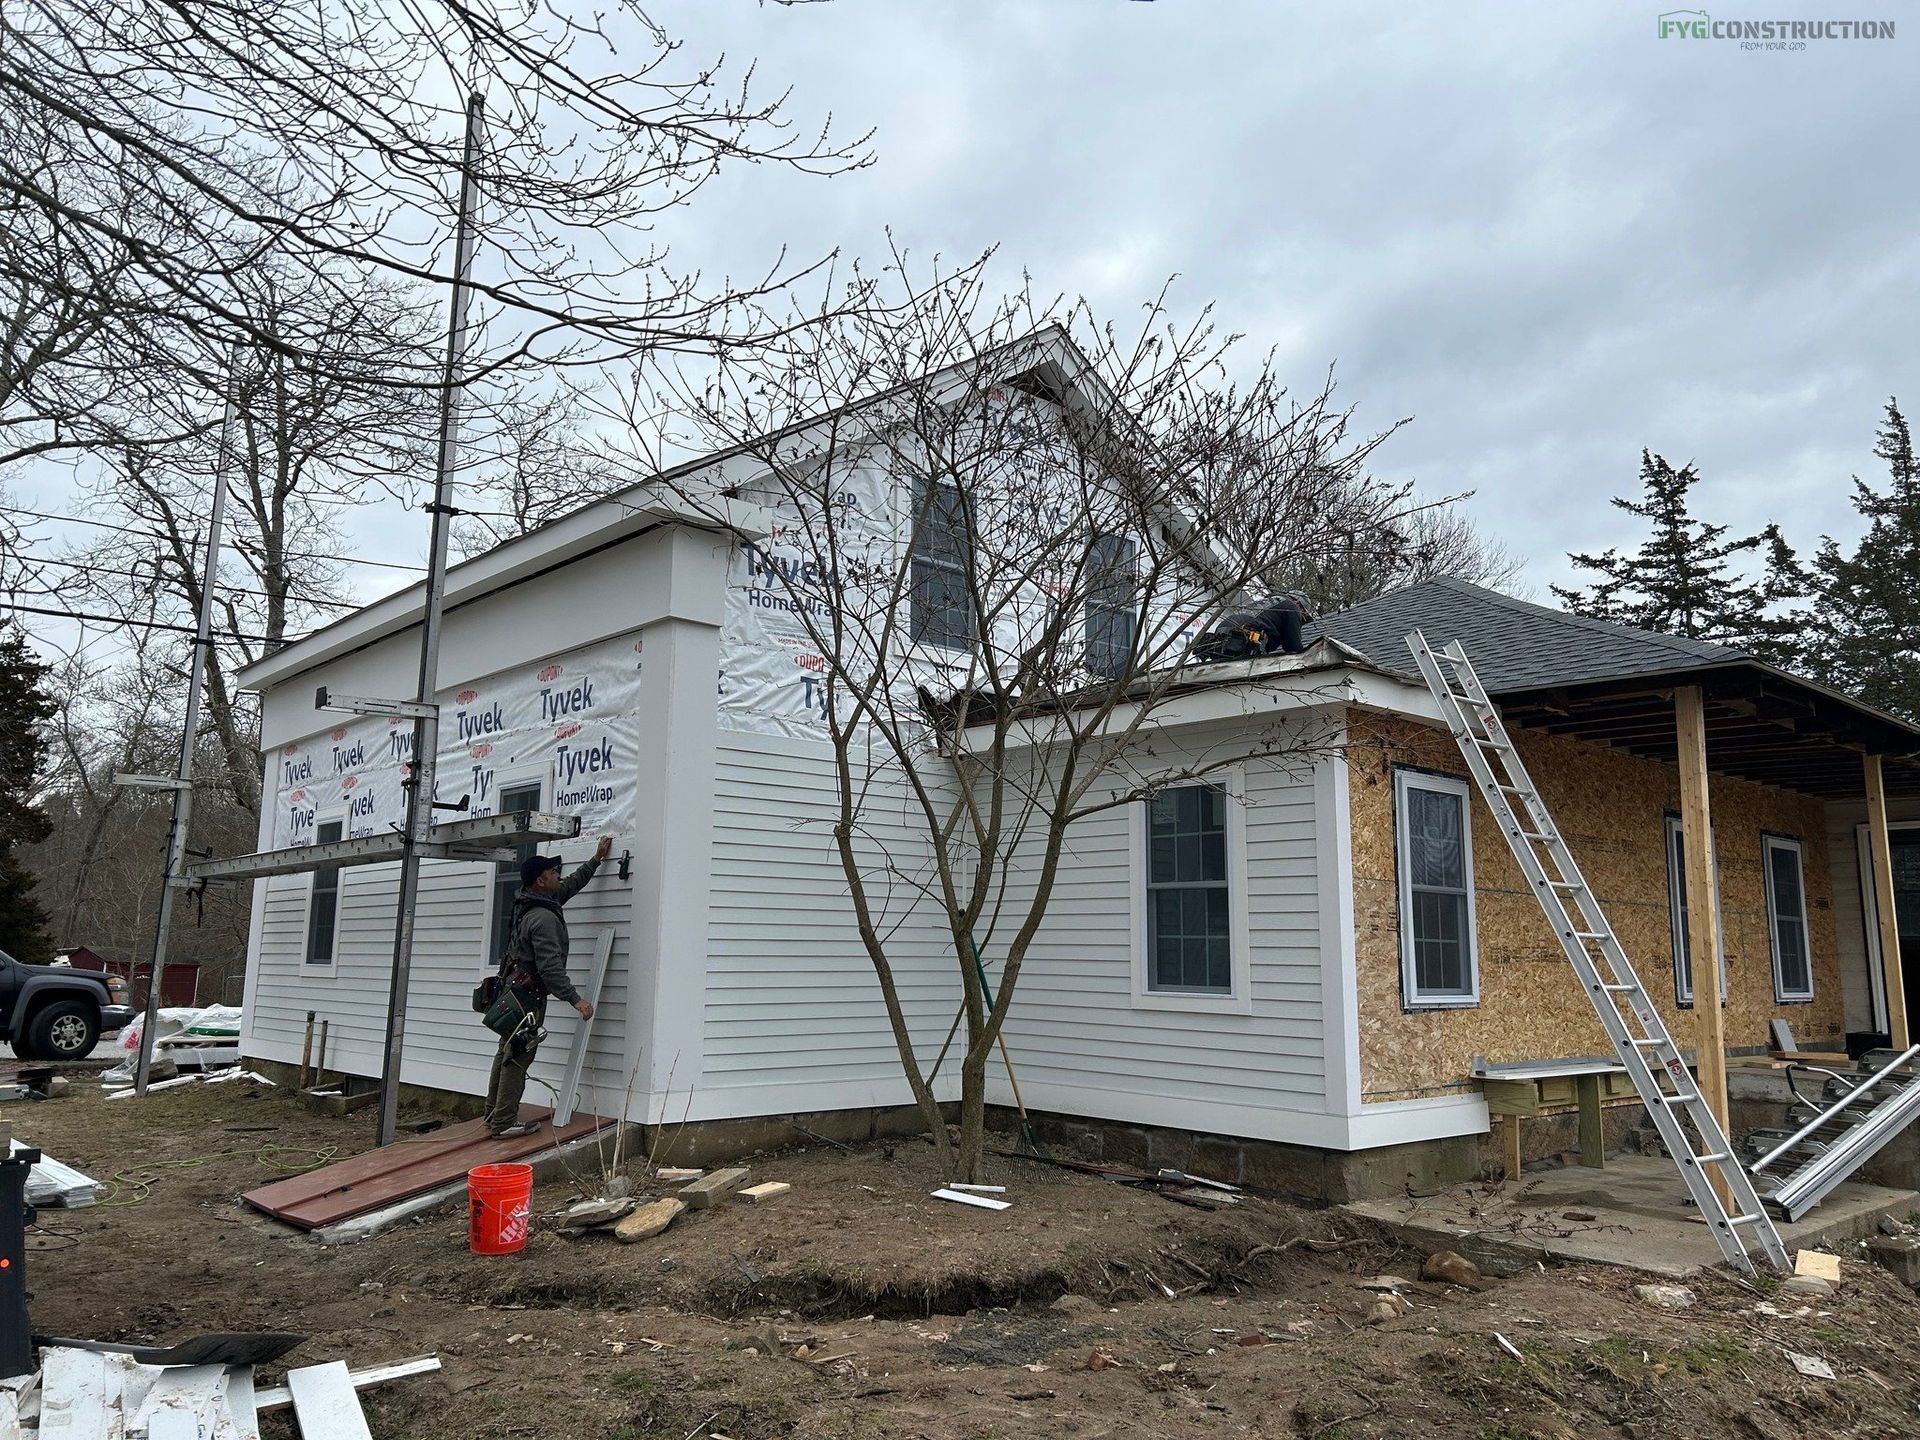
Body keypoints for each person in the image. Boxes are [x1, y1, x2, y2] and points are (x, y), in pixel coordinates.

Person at [484, 834, 615, 1138]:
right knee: (517, 1054)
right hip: (526, 998)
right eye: (553, 873)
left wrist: (596, 859)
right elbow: (550, 969)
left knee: (506, 1049)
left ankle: (493, 1114)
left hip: (513, 991)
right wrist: (576, 1000)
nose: (559, 875)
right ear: (541, 881)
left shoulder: (534, 902)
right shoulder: (543, 918)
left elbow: (571, 884)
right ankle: (503, 1122)